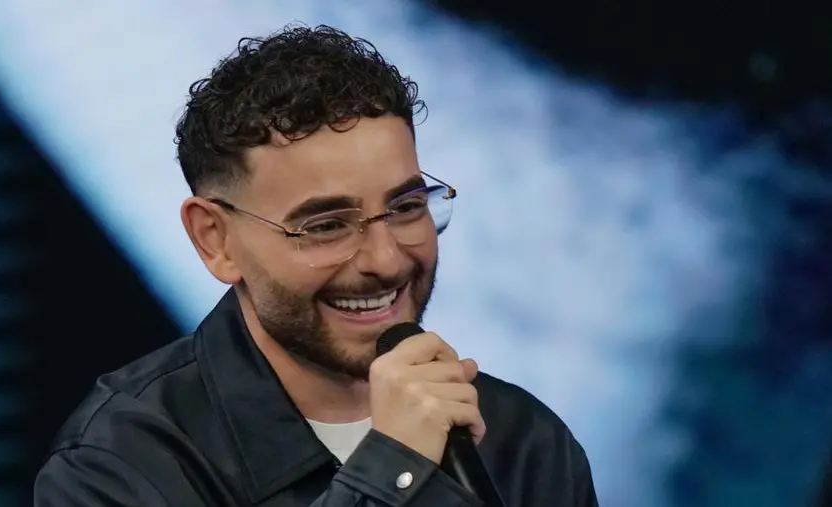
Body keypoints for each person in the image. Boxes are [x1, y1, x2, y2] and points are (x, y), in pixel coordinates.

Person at [33, 24, 599, 506]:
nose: (386, 261)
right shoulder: (119, 463)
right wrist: (393, 467)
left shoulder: (521, 440)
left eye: (405, 208)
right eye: (326, 226)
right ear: (215, 240)